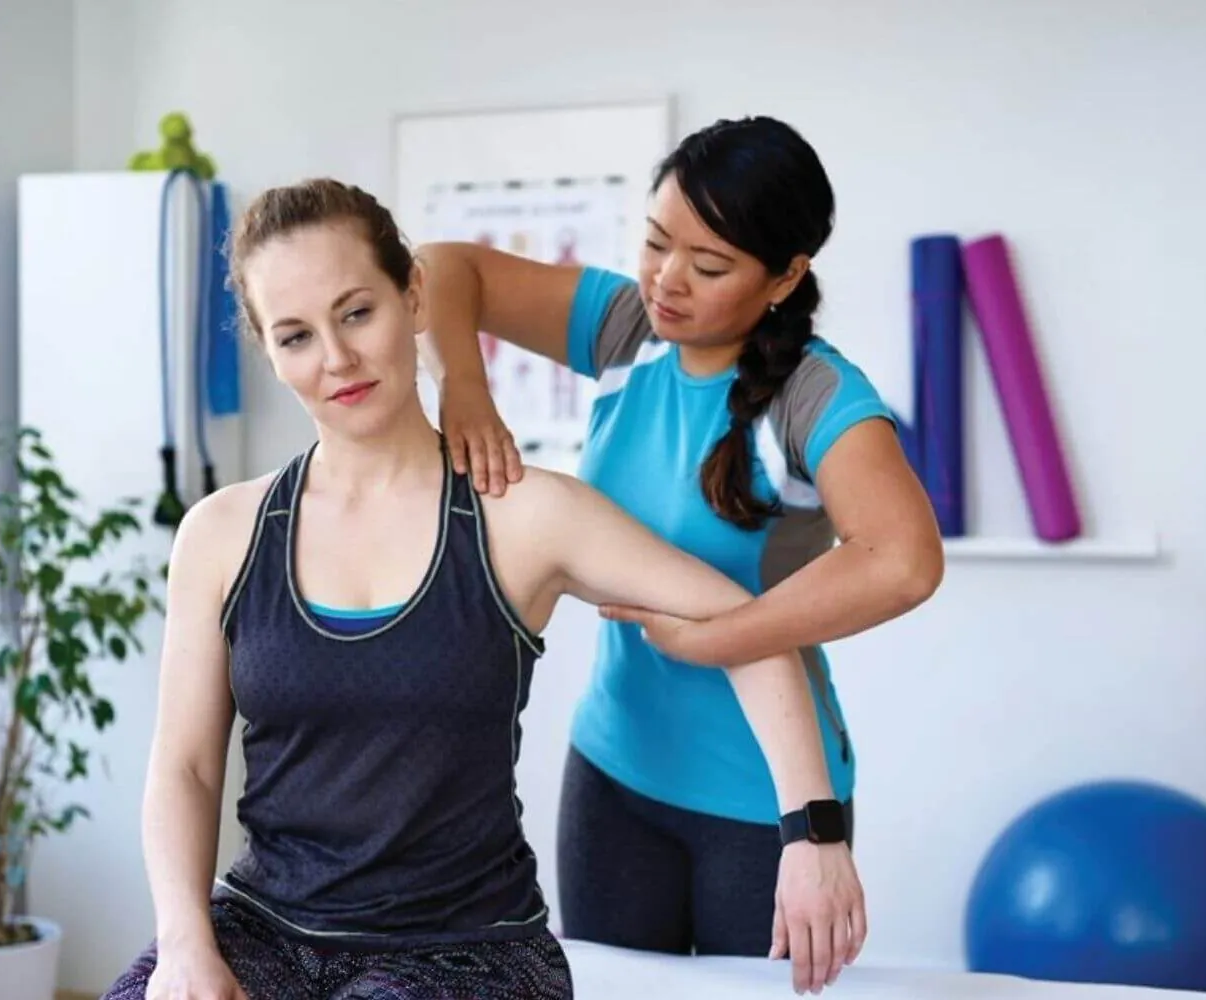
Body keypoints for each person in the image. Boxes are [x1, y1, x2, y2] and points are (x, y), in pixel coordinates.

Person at [102, 177, 867, 1000]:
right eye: (295, 336)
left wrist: (811, 833)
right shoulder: (222, 533)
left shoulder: (521, 515)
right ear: (269, 351)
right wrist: (184, 944)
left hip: (464, 949)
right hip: (269, 929)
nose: (336, 359)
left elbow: (748, 626)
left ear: (413, 296)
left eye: (357, 312)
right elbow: (184, 765)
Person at [417, 115, 945, 971]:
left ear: (785, 276)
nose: (666, 281)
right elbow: (442, 268)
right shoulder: (626, 328)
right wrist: (464, 390)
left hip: (759, 795)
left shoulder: (815, 394)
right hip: (614, 771)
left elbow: (905, 560)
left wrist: (716, 639)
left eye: (708, 266)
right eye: (657, 242)